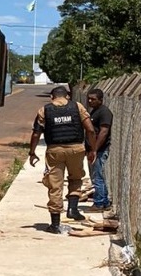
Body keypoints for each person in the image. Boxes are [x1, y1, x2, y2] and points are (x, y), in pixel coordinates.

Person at [28, 85, 96, 234]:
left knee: (55, 185)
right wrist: (93, 149)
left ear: (52, 97)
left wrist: (32, 152)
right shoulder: (77, 107)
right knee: (76, 178)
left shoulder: (44, 110)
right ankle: (72, 209)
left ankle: (55, 223)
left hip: (55, 151)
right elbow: (90, 130)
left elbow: (36, 134)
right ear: (68, 96)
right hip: (76, 149)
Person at [85, 88, 113, 213]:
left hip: (100, 150)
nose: (90, 101)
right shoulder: (95, 111)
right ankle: (105, 202)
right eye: (89, 99)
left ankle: (99, 203)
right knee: (98, 175)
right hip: (94, 149)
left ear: (101, 100)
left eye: (93, 99)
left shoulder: (104, 112)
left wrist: (95, 149)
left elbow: (104, 132)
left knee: (98, 177)